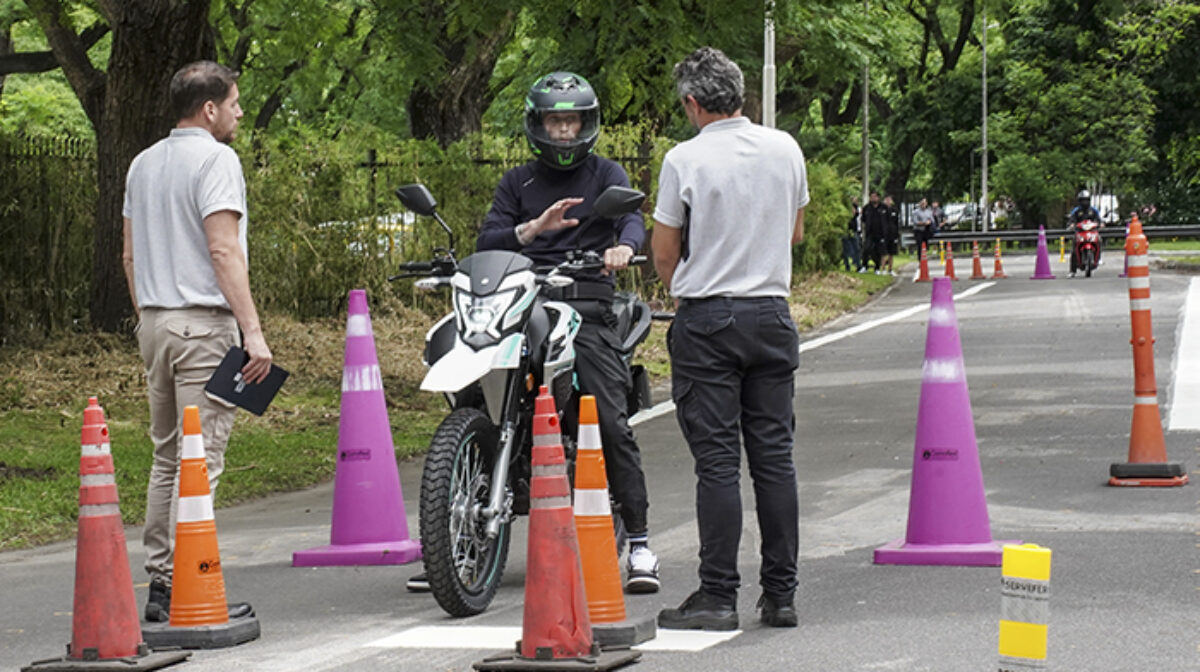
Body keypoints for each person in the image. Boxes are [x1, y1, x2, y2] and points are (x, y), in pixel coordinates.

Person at [406, 71, 660, 594]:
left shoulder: (605, 174)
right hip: (519, 301)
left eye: (571, 121)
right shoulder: (517, 182)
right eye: (554, 120)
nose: (563, 131)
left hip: (583, 302)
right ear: (537, 124)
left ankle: (638, 543)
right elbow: (489, 237)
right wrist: (534, 228)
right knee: (470, 395)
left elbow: (633, 222)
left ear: (585, 124)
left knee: (608, 419)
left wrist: (622, 248)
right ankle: (448, 547)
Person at [651, 46, 805, 630]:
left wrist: (685, 287)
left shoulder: (683, 159)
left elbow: (665, 252)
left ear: (692, 102)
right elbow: (793, 232)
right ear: (741, 94)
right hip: (772, 312)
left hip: (708, 319)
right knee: (774, 460)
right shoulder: (785, 147)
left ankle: (718, 595)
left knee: (717, 462)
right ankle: (781, 594)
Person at [122, 61, 270, 622]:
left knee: (167, 458)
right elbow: (223, 249)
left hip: (156, 321)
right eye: (233, 103)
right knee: (200, 459)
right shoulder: (217, 159)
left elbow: (129, 255)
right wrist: (251, 332)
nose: (237, 112)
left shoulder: (142, 163)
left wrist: (147, 316)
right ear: (208, 109)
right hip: (203, 324)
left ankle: (162, 583)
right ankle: (192, 584)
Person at [1066, 189, 1104, 274]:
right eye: (1083, 200)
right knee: (1074, 247)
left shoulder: (1093, 210)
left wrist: (1100, 224)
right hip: (1080, 232)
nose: (1085, 202)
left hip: (1092, 232)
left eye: (1086, 200)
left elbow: (1099, 219)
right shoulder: (1076, 211)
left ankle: (1099, 258)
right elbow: (1071, 220)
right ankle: (1072, 270)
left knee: (1099, 240)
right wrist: (1071, 224)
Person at [860, 190, 888, 274]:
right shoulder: (867, 208)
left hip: (880, 233)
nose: (873, 198)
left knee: (878, 251)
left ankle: (877, 268)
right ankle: (864, 266)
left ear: (878, 198)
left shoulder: (884, 208)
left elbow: (887, 219)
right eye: (871, 197)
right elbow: (863, 219)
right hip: (870, 233)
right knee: (867, 249)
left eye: (875, 197)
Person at [841, 197, 863, 272]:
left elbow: (856, 214)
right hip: (845, 230)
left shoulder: (855, 208)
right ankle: (847, 266)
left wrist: (854, 204)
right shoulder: (844, 208)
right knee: (846, 250)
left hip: (854, 230)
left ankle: (858, 265)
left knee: (856, 248)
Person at [882, 194, 900, 275]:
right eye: (887, 199)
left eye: (889, 199)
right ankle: (883, 269)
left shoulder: (894, 210)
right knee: (883, 252)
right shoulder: (881, 210)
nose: (888, 201)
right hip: (883, 234)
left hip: (892, 234)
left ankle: (890, 269)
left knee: (891, 252)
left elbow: (896, 222)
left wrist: (896, 233)